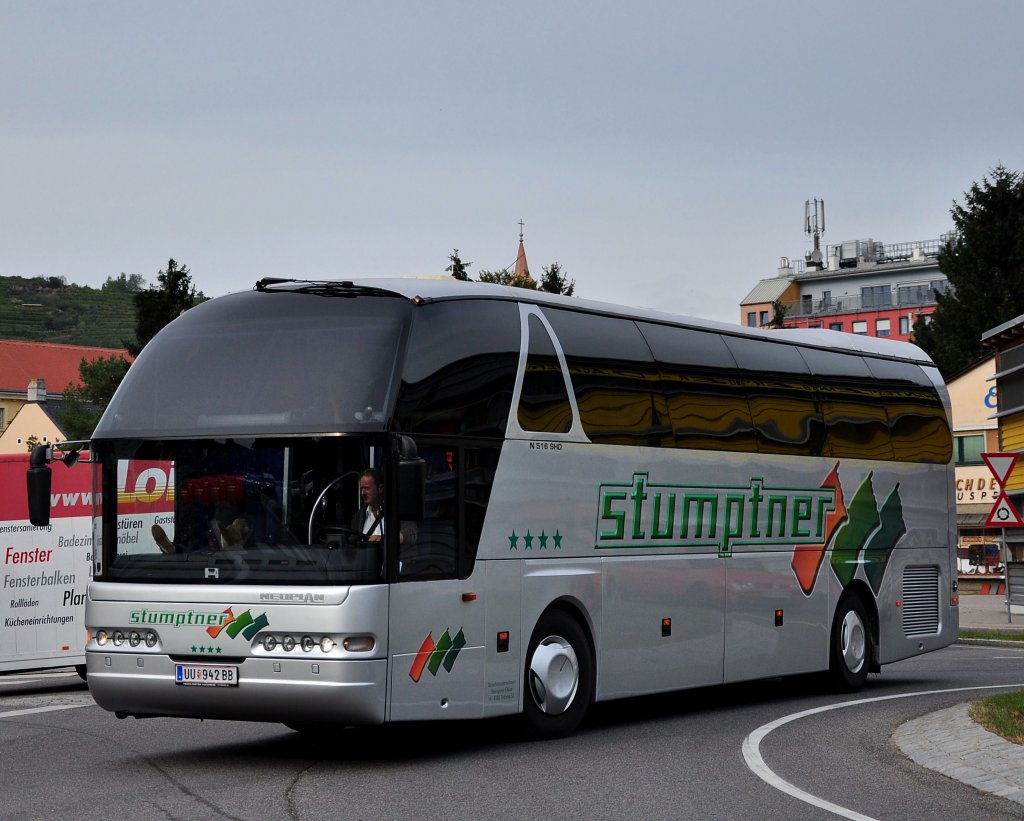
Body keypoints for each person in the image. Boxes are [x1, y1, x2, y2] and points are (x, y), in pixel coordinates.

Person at [349, 467, 416, 545]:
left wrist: (383, 539)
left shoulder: (397, 511)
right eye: (361, 488)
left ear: (380, 488)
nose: (362, 492)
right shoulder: (359, 516)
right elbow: (352, 543)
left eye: (366, 488)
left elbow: (411, 534)